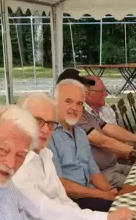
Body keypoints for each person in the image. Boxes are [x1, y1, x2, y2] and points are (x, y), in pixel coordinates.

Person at [12, 93, 136, 220]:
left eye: (50, 123)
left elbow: (63, 201)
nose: (46, 129)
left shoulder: (45, 154)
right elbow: (47, 210)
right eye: (37, 121)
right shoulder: (15, 165)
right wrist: (106, 218)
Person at [49, 79, 118, 211]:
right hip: (69, 203)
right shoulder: (49, 135)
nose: (74, 108)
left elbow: (93, 173)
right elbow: (60, 184)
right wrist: (103, 195)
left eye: (79, 104)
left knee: (129, 198)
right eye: (68, 101)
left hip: (89, 194)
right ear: (55, 103)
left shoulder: (80, 133)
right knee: (119, 211)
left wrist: (112, 191)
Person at [79, 75, 136, 187]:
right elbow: (102, 141)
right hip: (102, 174)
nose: (106, 94)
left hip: (114, 166)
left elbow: (108, 127)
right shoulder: (75, 118)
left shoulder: (85, 113)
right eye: (102, 91)